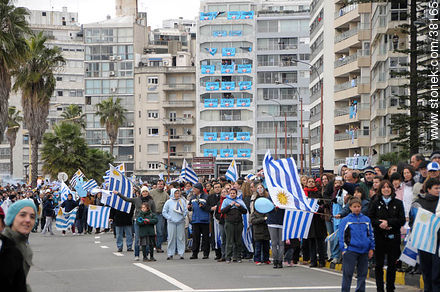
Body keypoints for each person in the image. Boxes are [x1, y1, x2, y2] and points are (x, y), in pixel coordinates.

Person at [368, 180, 405, 292]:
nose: (386, 189)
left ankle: (390, 288)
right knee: (379, 265)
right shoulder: (375, 203)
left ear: (391, 189)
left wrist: (388, 223)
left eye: (388, 187)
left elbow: (401, 220)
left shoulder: (398, 203)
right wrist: (380, 224)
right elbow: (370, 218)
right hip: (379, 237)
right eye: (383, 187)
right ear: (380, 189)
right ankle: (380, 288)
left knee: (391, 265)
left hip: (393, 237)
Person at [339, 197, 375, 292]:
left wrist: (371, 248)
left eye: (358, 206)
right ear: (350, 207)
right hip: (351, 250)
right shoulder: (345, 220)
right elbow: (342, 236)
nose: (357, 208)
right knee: (348, 274)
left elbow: (371, 234)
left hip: (364, 250)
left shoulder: (366, 219)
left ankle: (360, 290)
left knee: (362, 274)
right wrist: (343, 249)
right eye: (354, 207)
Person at [410, 178, 440, 291]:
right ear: (428, 189)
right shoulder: (419, 203)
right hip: (424, 243)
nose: (438, 190)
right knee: (426, 273)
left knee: (437, 274)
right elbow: (413, 221)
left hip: (438, 243)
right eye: (436, 188)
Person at [2, 199, 37, 292]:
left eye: (32, 217)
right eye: (22, 215)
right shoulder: (2, 245)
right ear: (12, 217)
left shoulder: (26, 249)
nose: (28, 220)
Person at [115, 186, 156, 260]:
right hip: (138, 221)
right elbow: (126, 199)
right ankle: (136, 255)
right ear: (141, 193)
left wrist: (151, 220)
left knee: (147, 239)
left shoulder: (151, 201)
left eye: (146, 191)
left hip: (147, 222)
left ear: (148, 192)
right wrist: (118, 193)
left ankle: (145, 254)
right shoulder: (137, 199)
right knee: (137, 239)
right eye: (143, 191)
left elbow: (154, 212)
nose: (145, 193)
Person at [221, 188, 248, 263]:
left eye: (234, 193)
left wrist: (239, 206)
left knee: (238, 241)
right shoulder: (226, 201)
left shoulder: (240, 201)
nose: (232, 194)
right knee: (229, 240)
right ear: (229, 194)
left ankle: (237, 257)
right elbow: (222, 211)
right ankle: (228, 257)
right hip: (229, 222)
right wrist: (230, 205)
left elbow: (245, 211)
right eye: (231, 193)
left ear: (236, 194)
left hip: (238, 223)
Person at [162, 189, 188, 260]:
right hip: (171, 222)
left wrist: (183, 216)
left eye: (178, 193)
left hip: (180, 222)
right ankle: (170, 253)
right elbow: (164, 212)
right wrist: (170, 218)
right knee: (171, 237)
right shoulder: (168, 202)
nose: (177, 195)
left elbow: (185, 210)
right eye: (175, 193)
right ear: (173, 194)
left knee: (180, 237)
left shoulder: (182, 201)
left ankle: (181, 253)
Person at [188, 182, 211, 259]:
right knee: (195, 238)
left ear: (199, 189)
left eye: (195, 188)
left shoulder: (206, 197)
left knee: (205, 238)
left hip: (204, 220)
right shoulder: (192, 197)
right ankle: (195, 253)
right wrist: (189, 207)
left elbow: (209, 208)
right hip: (195, 220)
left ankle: (205, 253)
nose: (193, 190)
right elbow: (190, 207)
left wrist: (203, 206)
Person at [250, 193, 271, 265]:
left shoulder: (267, 213)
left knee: (266, 248)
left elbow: (268, 220)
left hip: (266, 233)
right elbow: (253, 221)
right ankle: (257, 259)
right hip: (258, 233)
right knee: (258, 248)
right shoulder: (254, 213)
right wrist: (262, 219)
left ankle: (266, 259)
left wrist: (265, 219)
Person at [149, 180, 169, 253]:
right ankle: (149, 246)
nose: (160, 185)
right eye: (158, 184)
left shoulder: (166, 195)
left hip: (160, 214)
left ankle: (158, 247)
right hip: (151, 214)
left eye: (161, 184)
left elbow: (168, 205)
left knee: (160, 232)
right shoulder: (151, 192)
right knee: (150, 231)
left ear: (163, 185)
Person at [207, 182, 222, 260]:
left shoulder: (224, 196)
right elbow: (207, 207)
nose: (217, 188)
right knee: (215, 235)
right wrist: (211, 208)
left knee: (222, 236)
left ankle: (223, 253)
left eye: (219, 187)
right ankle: (217, 253)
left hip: (222, 218)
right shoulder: (210, 197)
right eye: (216, 187)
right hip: (213, 219)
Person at [214, 187, 228, 262]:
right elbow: (216, 213)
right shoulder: (219, 202)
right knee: (223, 239)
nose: (223, 193)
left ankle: (229, 255)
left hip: (228, 221)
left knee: (229, 238)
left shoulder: (229, 201)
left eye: (225, 192)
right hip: (221, 222)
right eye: (222, 192)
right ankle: (223, 255)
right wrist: (219, 217)